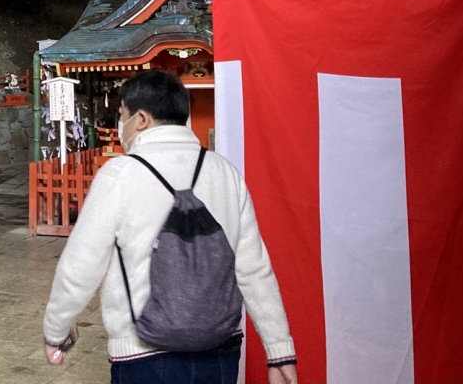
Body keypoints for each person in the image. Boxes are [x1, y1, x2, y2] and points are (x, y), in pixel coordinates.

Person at [43, 70, 298, 384]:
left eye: (121, 115)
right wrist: (279, 350)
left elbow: (82, 264)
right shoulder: (224, 173)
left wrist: (56, 330)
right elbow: (253, 268)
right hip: (220, 352)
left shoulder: (120, 174)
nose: (120, 125)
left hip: (142, 355)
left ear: (141, 119)